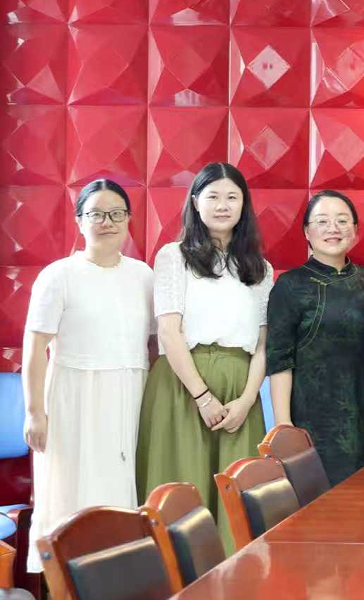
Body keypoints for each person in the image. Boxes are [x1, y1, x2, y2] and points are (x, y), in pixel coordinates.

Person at [137, 162, 274, 552]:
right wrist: (202, 396)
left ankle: (236, 579)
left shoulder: (260, 268)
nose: (222, 205)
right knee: (181, 490)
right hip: (183, 386)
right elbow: (169, 331)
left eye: (232, 197)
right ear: (195, 202)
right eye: (213, 196)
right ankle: (175, 580)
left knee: (238, 497)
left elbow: (263, 344)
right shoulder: (173, 256)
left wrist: (247, 400)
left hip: (239, 391)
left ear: (244, 205)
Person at [22, 179, 154, 573]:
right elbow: (35, 348)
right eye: (96, 214)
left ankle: (118, 579)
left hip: (129, 393)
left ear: (128, 219)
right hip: (73, 396)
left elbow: (154, 342)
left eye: (116, 213)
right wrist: (35, 413)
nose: (107, 222)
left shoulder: (143, 276)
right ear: (80, 221)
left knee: (119, 486)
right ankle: (69, 586)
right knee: (71, 490)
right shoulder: (58, 275)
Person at [267, 190, 364, 486]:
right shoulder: (290, 285)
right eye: (322, 221)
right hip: (310, 420)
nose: (333, 228)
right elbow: (279, 360)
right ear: (307, 231)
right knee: (316, 502)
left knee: (362, 499)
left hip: (362, 417)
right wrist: (283, 425)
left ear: (355, 229)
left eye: (342, 220)